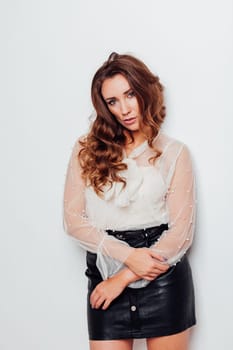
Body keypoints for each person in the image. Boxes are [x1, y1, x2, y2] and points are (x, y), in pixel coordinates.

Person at [63, 52, 196, 350]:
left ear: (145, 91)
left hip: (162, 274)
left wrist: (124, 276)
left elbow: (180, 234)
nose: (124, 109)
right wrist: (125, 256)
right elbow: (73, 220)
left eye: (130, 95)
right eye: (112, 101)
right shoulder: (86, 149)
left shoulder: (175, 153)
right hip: (104, 267)